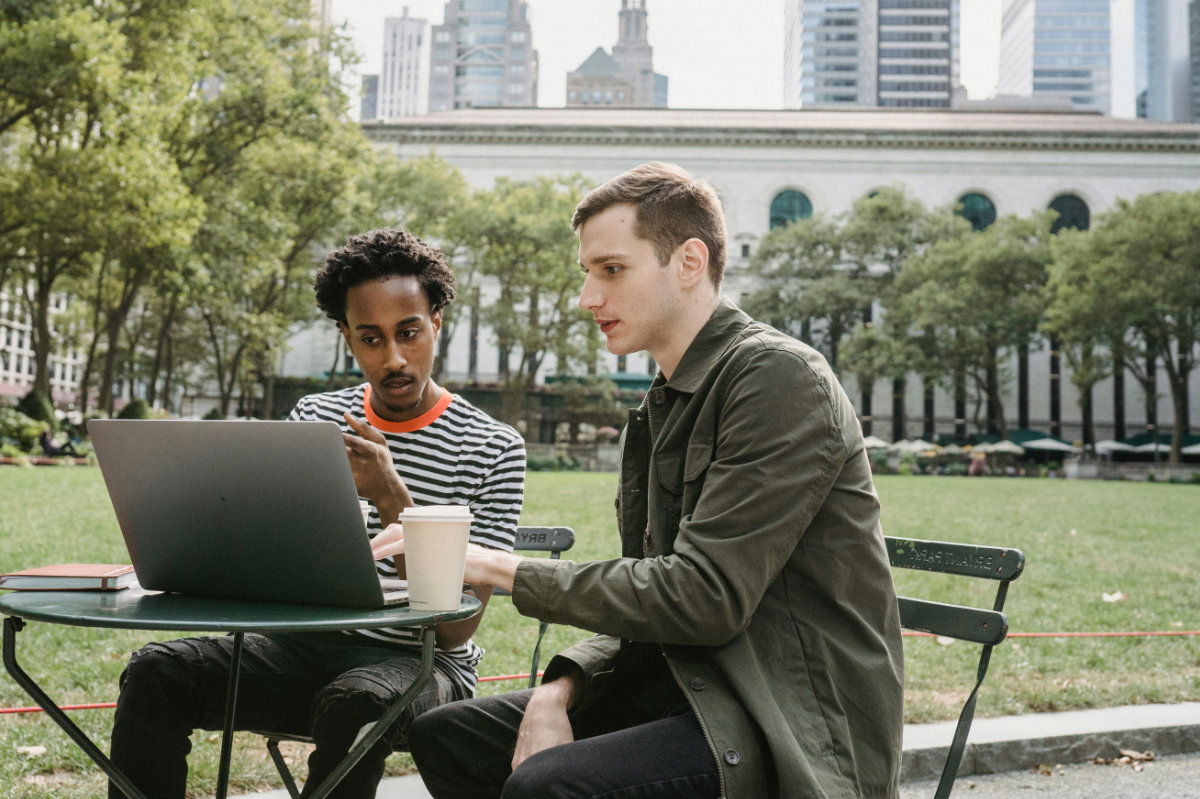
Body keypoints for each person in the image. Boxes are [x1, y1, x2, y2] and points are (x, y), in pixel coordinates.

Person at [389, 163, 905, 799]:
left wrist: (495, 567)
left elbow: (702, 595)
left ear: (689, 262)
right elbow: (655, 593)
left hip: (785, 719)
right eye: (587, 273)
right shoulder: (665, 402)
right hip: (689, 685)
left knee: (550, 785)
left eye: (611, 269)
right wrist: (562, 688)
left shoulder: (778, 380)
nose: (587, 297)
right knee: (448, 735)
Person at [106, 229, 526, 799]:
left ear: (437, 323)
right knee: (158, 672)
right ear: (347, 338)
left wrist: (390, 497)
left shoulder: (493, 445)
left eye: (410, 333)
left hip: (420, 666)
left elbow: (455, 627)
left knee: (355, 703)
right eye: (371, 339)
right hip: (297, 650)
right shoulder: (317, 417)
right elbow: (278, 564)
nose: (395, 358)